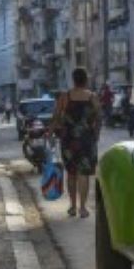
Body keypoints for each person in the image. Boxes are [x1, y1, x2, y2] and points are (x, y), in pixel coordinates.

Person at [50, 68, 102, 218]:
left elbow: (56, 117)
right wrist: (96, 135)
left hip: (68, 140)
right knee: (83, 174)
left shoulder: (64, 97)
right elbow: (99, 117)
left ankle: (72, 207)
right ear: (86, 80)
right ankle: (83, 208)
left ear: (73, 80)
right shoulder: (92, 97)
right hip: (86, 140)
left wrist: (50, 132)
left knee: (71, 173)